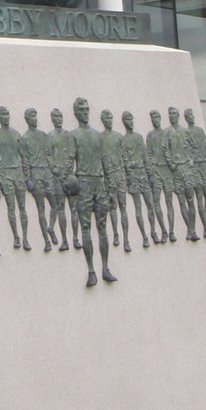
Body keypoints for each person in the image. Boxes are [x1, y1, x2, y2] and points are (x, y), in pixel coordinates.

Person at [72, 97, 116, 287]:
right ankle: (91, 271)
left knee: (102, 226)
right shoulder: (73, 135)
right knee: (86, 227)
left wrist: (111, 188)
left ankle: (105, 268)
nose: (85, 112)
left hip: (99, 182)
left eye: (86, 109)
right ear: (75, 113)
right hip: (84, 182)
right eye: (81, 109)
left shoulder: (99, 136)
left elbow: (106, 162)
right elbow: (68, 162)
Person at [19, 107, 58, 251]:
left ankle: (51, 228)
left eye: (36, 116)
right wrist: (28, 179)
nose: (35, 119)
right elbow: (25, 162)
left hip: (47, 173)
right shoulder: (24, 139)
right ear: (27, 119)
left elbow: (49, 155)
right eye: (32, 116)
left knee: (55, 205)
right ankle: (47, 241)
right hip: (35, 174)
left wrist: (53, 170)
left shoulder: (44, 135)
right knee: (40, 209)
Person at [0, 106, 30, 250]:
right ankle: (16, 237)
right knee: (11, 207)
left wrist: (26, 175)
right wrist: (0, 176)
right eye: (3, 114)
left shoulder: (16, 134)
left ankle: (25, 237)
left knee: (22, 207)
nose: (6, 117)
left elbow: (24, 156)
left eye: (7, 114)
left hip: (18, 173)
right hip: (6, 174)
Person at [121, 110, 160, 246]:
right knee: (138, 207)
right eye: (127, 119)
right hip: (133, 176)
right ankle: (144, 236)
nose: (130, 122)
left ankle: (153, 231)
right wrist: (129, 175)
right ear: (123, 122)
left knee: (150, 204)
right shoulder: (124, 140)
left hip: (143, 175)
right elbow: (124, 161)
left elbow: (145, 157)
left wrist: (150, 175)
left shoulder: (138, 137)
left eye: (131, 119)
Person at [165, 105, 200, 242]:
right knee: (181, 201)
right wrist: (171, 163)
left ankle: (193, 230)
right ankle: (189, 229)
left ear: (178, 116)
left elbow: (194, 147)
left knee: (191, 199)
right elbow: (165, 149)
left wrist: (191, 160)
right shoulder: (167, 132)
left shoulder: (185, 131)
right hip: (176, 170)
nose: (172, 116)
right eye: (170, 114)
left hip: (186, 169)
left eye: (174, 113)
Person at [98, 109, 131, 251]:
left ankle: (126, 239)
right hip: (109, 175)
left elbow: (124, 156)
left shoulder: (119, 136)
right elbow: (99, 158)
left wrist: (127, 174)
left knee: (123, 206)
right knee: (113, 206)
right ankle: (116, 234)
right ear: (102, 120)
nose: (109, 120)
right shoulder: (100, 138)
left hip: (120, 174)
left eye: (111, 118)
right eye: (106, 118)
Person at [45, 108, 76, 251]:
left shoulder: (68, 135)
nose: (59, 119)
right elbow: (48, 155)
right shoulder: (49, 136)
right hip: (57, 177)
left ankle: (75, 238)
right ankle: (64, 240)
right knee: (60, 208)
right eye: (56, 116)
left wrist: (66, 172)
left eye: (60, 116)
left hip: (69, 177)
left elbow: (71, 154)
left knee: (73, 208)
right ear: (52, 119)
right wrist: (54, 169)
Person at [184, 107, 206, 236]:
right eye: (189, 115)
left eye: (192, 114)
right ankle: (205, 226)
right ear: (186, 118)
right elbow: (185, 152)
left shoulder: (200, 131)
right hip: (194, 168)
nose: (192, 116)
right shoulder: (185, 133)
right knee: (199, 197)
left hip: (204, 166)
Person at [146, 109, 175, 243]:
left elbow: (172, 151)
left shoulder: (167, 134)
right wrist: (151, 172)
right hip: (156, 170)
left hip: (167, 170)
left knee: (169, 202)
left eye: (157, 117)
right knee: (156, 201)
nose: (155, 119)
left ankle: (172, 231)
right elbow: (149, 154)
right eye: (153, 117)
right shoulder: (150, 135)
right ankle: (163, 230)